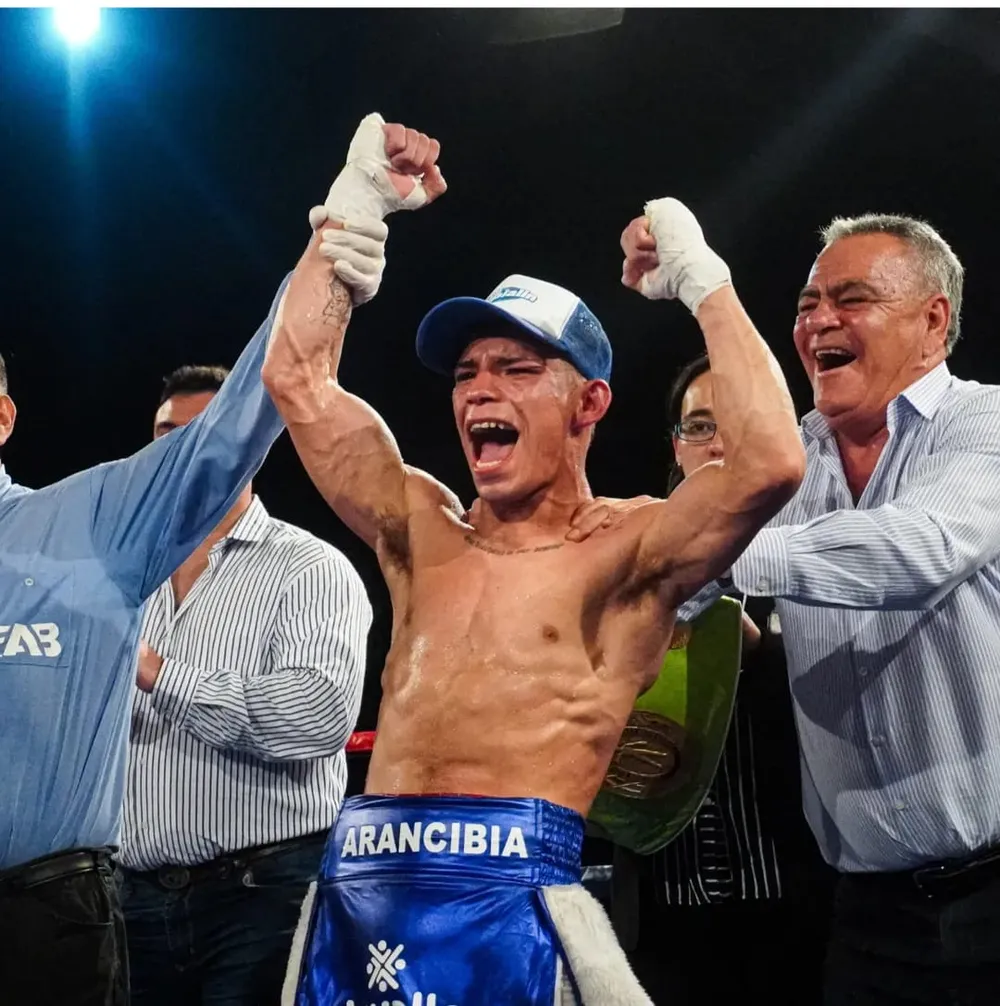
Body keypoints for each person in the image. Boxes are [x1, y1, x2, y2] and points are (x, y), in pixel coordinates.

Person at [263, 120, 805, 1004]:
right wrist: (352, 214)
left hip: (512, 911)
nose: (480, 389)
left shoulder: (630, 550)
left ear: (590, 402)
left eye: (516, 368)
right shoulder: (417, 527)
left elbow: (771, 461)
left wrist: (704, 282)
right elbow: (300, 381)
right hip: (359, 901)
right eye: (466, 372)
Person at [0, 112, 431, 1006]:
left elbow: (245, 410)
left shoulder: (91, 523)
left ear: (3, 419)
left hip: (66, 919)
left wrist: (348, 220)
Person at [579, 214, 1000, 1006]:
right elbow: (677, 588)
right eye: (807, 305)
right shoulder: (786, 463)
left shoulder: (984, 424)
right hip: (860, 916)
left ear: (933, 319)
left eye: (851, 298)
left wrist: (688, 544)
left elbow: (918, 550)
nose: (819, 323)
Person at [117, 364, 372, 1006]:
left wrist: (157, 673)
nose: (178, 449)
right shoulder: (120, 578)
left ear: (253, 442)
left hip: (265, 897)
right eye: (164, 434)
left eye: (202, 430)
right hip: (131, 903)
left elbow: (318, 715)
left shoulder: (309, 567)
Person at [618, 352, 834, 1006]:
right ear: (676, 447)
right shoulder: (630, 559)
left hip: (800, 905)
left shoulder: (824, 550)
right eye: (700, 425)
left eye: (740, 422)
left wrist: (759, 655)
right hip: (663, 908)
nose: (719, 442)